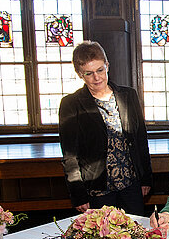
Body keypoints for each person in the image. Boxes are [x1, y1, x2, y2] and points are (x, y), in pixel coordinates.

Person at [59, 40, 153, 216]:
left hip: (131, 185)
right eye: (89, 73)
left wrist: (145, 178)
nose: (97, 78)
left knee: (137, 236)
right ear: (80, 74)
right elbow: (70, 156)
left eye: (100, 70)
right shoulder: (71, 104)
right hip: (97, 188)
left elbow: (140, 139)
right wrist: (78, 194)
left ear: (107, 65)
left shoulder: (129, 95)